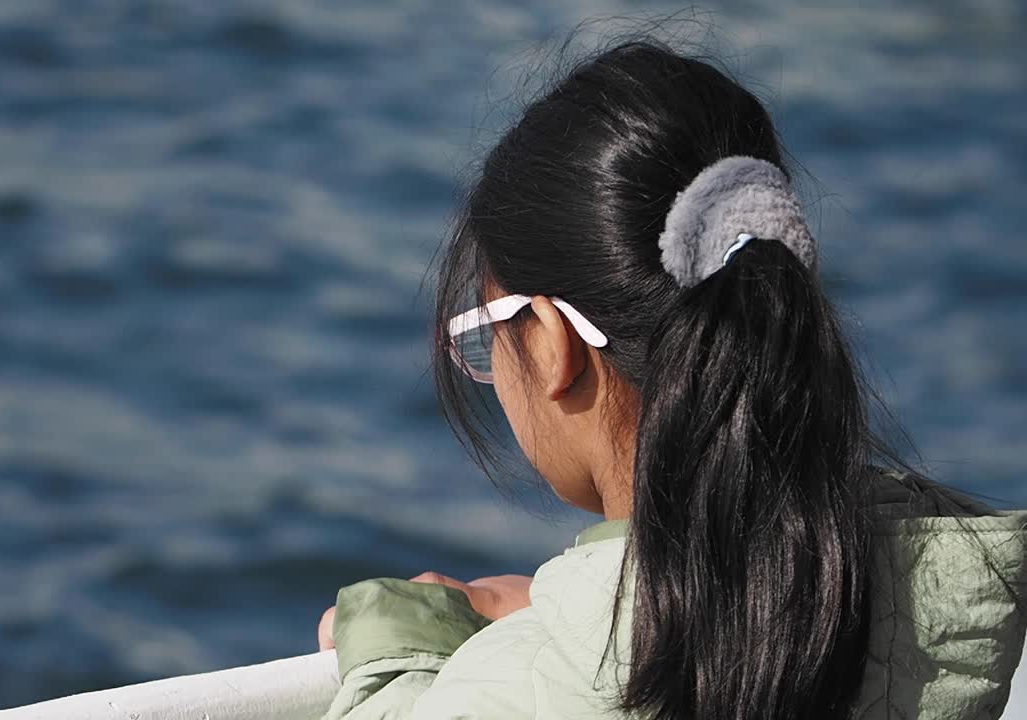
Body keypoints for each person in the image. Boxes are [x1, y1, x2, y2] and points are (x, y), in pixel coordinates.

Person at [313, 39, 1027, 720]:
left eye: (488, 331)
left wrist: (394, 647)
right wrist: (586, 609)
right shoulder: (949, 599)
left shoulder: (534, 688)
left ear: (555, 345)